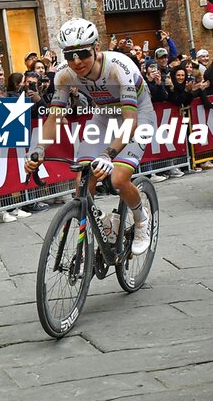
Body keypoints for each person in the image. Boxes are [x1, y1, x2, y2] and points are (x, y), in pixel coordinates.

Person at [25, 19, 155, 255]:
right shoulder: (64, 75)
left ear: (96, 48)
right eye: (69, 55)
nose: (76, 62)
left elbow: (130, 122)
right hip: (104, 115)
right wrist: (39, 148)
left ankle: (141, 219)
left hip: (137, 115)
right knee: (82, 181)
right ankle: (102, 222)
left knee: (118, 178)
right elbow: (54, 117)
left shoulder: (119, 66)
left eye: (83, 54)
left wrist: (107, 154)